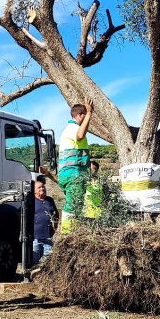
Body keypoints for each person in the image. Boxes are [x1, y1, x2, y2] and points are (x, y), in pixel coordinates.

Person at [57, 98, 93, 232]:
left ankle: (71, 232)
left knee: (74, 206)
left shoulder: (69, 129)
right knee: (73, 207)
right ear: (79, 115)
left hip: (69, 175)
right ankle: (67, 236)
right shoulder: (73, 128)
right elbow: (80, 135)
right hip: (74, 175)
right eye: (84, 116)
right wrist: (89, 113)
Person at [32, 179, 58, 264]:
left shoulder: (49, 200)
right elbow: (20, 214)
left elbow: (56, 215)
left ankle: (44, 276)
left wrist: (55, 228)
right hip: (36, 237)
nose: (42, 189)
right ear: (34, 191)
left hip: (48, 237)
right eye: (39, 187)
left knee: (48, 261)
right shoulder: (31, 201)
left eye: (43, 187)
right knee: (34, 259)